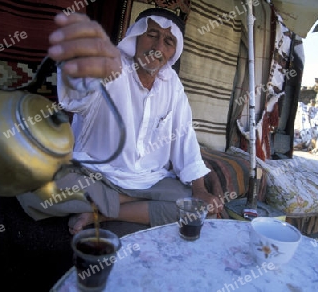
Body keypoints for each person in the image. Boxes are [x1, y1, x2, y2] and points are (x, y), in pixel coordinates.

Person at [16, 8, 224, 234]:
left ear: (174, 50)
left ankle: (103, 212)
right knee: (35, 189)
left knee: (200, 208)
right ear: (135, 36)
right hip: (95, 175)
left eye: (168, 41)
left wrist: (200, 190)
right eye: (151, 35)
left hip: (150, 181)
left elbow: (185, 136)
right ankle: (124, 200)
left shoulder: (172, 85)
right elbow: (79, 87)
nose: (157, 48)